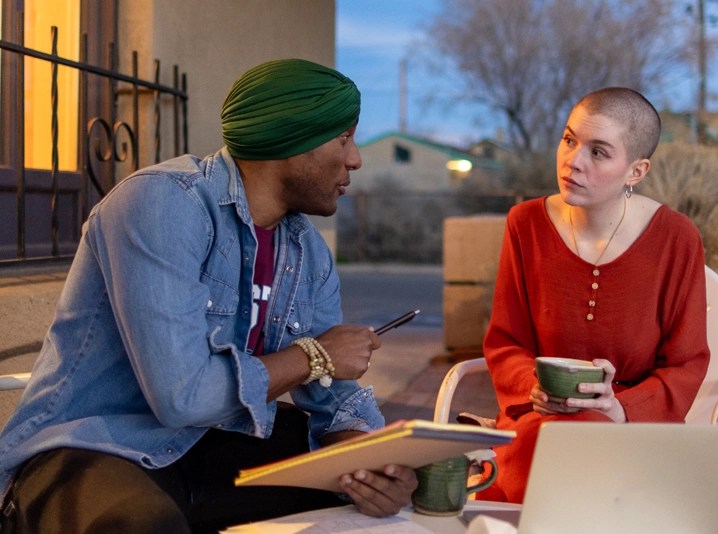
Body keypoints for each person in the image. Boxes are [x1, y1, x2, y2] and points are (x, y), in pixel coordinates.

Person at [0, 58, 417, 532]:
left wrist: (375, 465)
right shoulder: (161, 203)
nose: (355, 159)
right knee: (140, 524)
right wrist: (313, 355)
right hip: (95, 443)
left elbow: (334, 398)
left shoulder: (309, 254)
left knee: (363, 501)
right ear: (291, 139)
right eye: (343, 137)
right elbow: (182, 397)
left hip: (210, 445)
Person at [479, 87, 711, 503]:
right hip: (540, 421)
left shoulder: (676, 238)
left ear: (636, 171)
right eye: (569, 140)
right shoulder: (525, 223)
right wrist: (535, 386)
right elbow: (505, 341)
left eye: (599, 152)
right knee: (552, 457)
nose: (573, 161)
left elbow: (687, 362)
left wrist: (620, 408)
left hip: (633, 432)